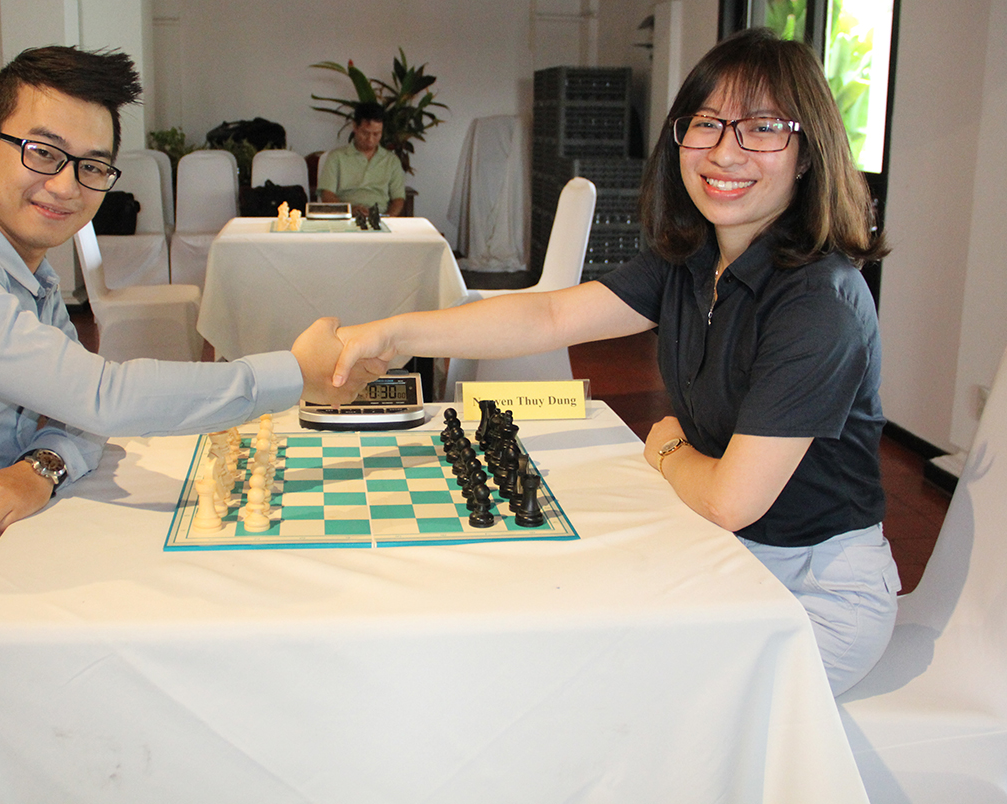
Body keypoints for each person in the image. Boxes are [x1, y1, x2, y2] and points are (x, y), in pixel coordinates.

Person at [0, 46, 377, 742]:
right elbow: (102, 398)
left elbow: (79, 417)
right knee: (170, 710)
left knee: (192, 639)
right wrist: (294, 372)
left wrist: (40, 467)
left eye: (91, 166)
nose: (66, 185)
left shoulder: (28, 274)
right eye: (43, 152)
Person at [330, 28, 899, 696]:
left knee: (615, 695)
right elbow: (549, 315)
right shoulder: (693, 260)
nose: (725, 151)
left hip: (812, 595)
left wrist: (668, 449)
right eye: (706, 123)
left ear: (807, 154)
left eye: (764, 128)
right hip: (726, 556)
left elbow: (729, 500)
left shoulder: (819, 302)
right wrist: (396, 334)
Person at [317, 102, 406, 217]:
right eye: (365, 133)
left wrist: (388, 219)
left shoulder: (391, 161)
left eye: (376, 134)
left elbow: (398, 199)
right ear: (355, 127)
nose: (370, 139)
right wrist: (349, 210)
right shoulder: (336, 157)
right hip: (346, 218)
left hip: (380, 217)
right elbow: (327, 194)